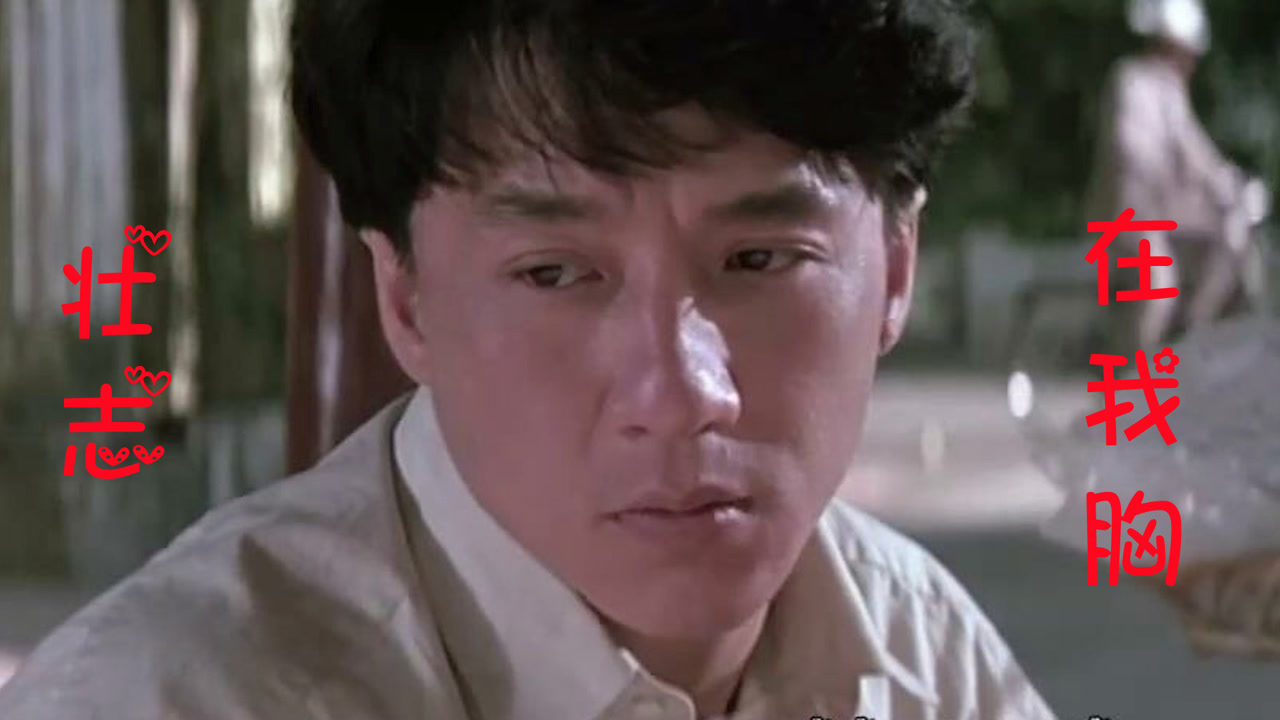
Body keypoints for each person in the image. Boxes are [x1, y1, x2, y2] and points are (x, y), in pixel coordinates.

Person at [0, 1, 1058, 718]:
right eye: (554, 273)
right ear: (405, 299)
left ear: (895, 266)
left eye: (759, 258)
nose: (681, 393)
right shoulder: (166, 695)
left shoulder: (928, 658)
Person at [1085, 0, 1268, 352]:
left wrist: (1230, 184)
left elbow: (1197, 152)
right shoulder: (1130, 81)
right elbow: (1134, 152)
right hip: (1128, 216)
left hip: (1164, 214)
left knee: (1235, 233)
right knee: (1158, 283)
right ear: (1172, 46)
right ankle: (1134, 372)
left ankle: (1191, 335)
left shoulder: (1171, 92)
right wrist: (1191, 181)